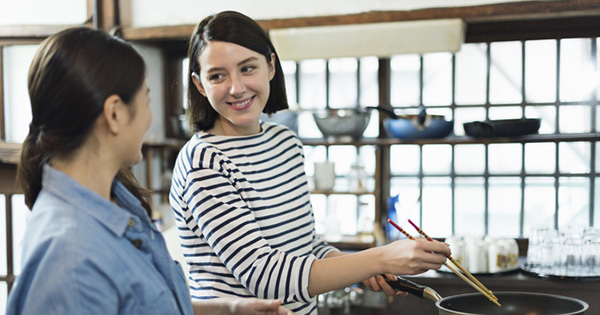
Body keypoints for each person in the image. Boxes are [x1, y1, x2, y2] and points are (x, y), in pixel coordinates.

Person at [169, 10, 451, 315]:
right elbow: (264, 275)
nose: (236, 88)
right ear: (200, 85)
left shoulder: (285, 142)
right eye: (217, 76)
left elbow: (306, 246)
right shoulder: (204, 161)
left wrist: (359, 267)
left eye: (248, 68)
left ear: (271, 66)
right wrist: (379, 259)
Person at [5, 26, 292, 315]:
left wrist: (230, 309)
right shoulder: (70, 254)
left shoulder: (115, 199)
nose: (149, 118)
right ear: (115, 114)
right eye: (146, 100)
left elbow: (141, 304)